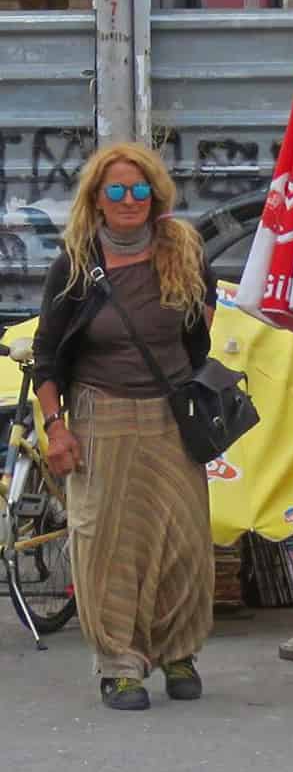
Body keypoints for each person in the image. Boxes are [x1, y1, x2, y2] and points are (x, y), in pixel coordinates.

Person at [32, 143, 218, 712]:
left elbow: (200, 329)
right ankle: (119, 666)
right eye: (116, 190)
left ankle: (179, 651)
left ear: (156, 196)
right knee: (110, 546)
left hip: (169, 415)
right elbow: (46, 355)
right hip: (100, 414)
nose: (129, 200)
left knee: (184, 541)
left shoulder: (182, 250)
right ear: (97, 199)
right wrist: (55, 428)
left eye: (140, 190)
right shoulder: (75, 262)